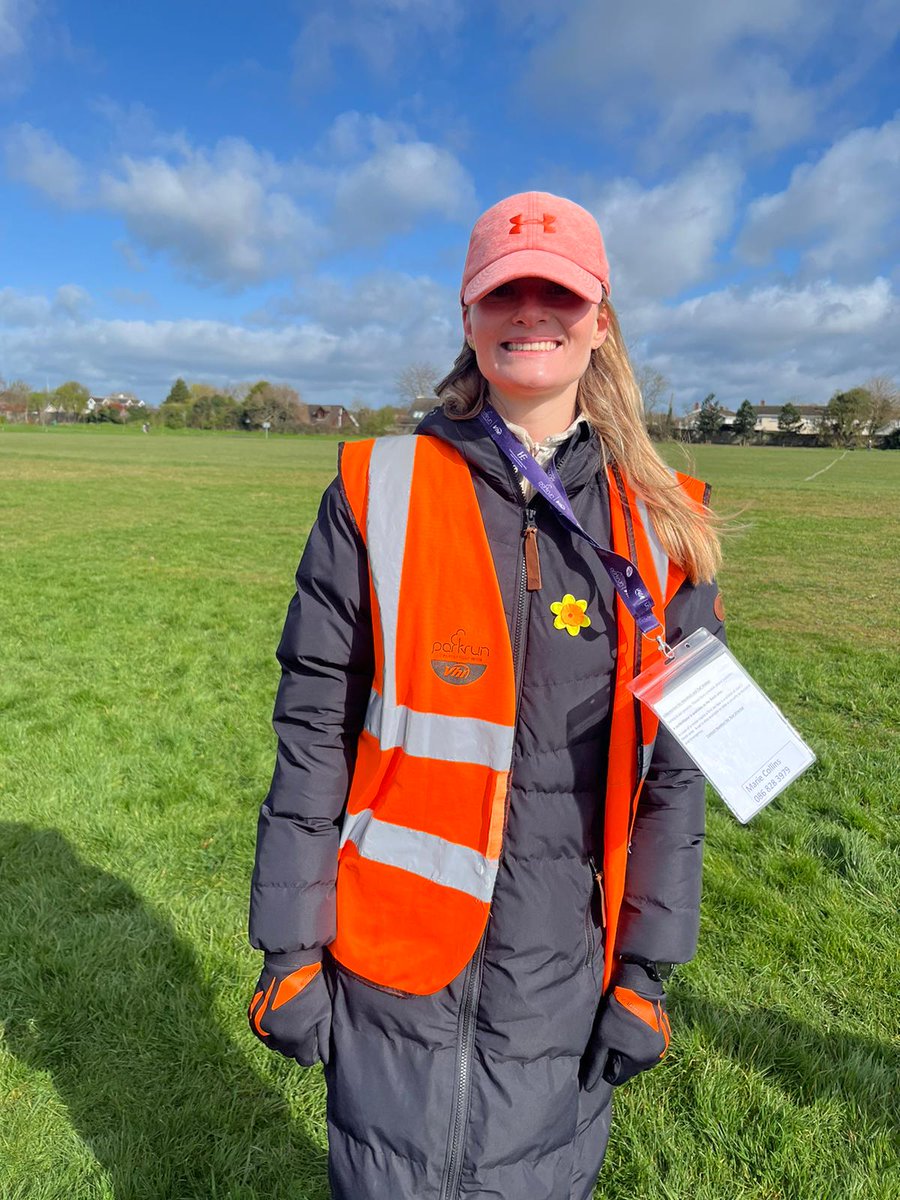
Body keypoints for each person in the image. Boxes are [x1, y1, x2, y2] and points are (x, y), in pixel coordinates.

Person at [247, 191, 725, 1200]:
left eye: (560, 292)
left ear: (599, 321)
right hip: (390, 964)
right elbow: (311, 735)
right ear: (468, 315)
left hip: (562, 983)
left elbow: (680, 776)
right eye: (506, 291)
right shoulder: (374, 488)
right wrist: (290, 947)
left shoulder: (666, 526)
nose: (532, 312)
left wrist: (647, 975)